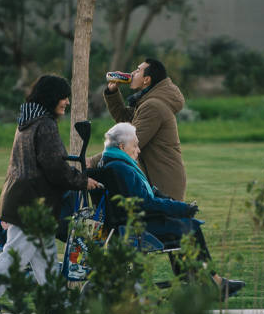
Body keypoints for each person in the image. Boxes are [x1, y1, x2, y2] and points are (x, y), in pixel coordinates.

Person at [96, 122, 244, 300]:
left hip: (129, 224)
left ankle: (207, 281)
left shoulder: (112, 163)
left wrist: (174, 205)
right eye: (135, 145)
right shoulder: (121, 167)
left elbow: (146, 196)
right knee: (190, 228)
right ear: (121, 146)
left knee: (187, 226)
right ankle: (208, 282)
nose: (139, 150)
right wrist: (180, 208)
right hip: (136, 228)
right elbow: (145, 204)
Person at [0, 75, 101, 295]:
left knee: (46, 261)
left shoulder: (28, 121)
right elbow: (55, 168)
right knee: (13, 258)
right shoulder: (45, 124)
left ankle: (56, 311)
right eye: (63, 97)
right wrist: (83, 181)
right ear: (51, 97)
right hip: (33, 204)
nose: (67, 102)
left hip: (23, 198)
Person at [104, 58, 187, 201]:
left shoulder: (153, 106)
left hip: (163, 181)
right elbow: (125, 121)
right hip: (158, 177)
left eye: (137, 70)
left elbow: (129, 143)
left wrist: (93, 161)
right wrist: (113, 92)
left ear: (146, 80)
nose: (132, 73)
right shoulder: (146, 101)